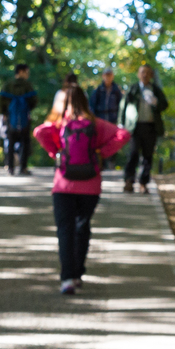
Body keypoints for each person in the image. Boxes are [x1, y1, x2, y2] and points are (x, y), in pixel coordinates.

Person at [34, 84, 129, 295]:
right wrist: (101, 154)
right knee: (82, 227)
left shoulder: (60, 123)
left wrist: (56, 153)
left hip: (63, 185)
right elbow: (123, 134)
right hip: (90, 185)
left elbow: (39, 132)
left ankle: (67, 278)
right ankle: (78, 274)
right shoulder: (96, 124)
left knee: (65, 230)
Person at [119, 65, 171, 195]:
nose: (145, 75)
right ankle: (129, 181)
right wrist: (120, 124)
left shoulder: (155, 90)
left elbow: (164, 105)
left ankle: (143, 183)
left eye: (148, 73)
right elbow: (123, 105)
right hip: (135, 127)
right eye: (142, 72)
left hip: (150, 127)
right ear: (138, 74)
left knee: (148, 156)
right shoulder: (133, 89)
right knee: (133, 153)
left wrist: (156, 103)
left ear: (151, 75)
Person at [0, 64, 40, 175]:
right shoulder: (27, 85)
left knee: (10, 142)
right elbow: (34, 100)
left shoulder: (8, 85)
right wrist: (28, 109)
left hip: (10, 116)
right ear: (21, 71)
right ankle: (23, 167)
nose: (28, 75)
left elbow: (1, 99)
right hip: (24, 117)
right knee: (25, 142)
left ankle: (10, 167)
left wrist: (4, 113)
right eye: (27, 72)